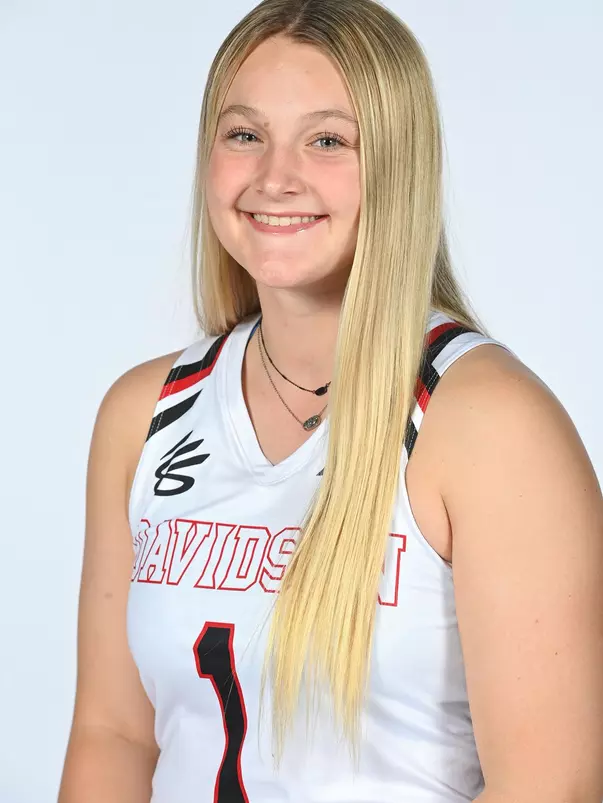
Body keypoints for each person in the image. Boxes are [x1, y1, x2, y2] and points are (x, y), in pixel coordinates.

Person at [58, 1, 603, 801]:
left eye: (327, 140)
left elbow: (549, 784)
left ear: (396, 162)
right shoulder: (143, 412)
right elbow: (113, 732)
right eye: (244, 134)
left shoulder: (487, 425)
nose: (275, 177)